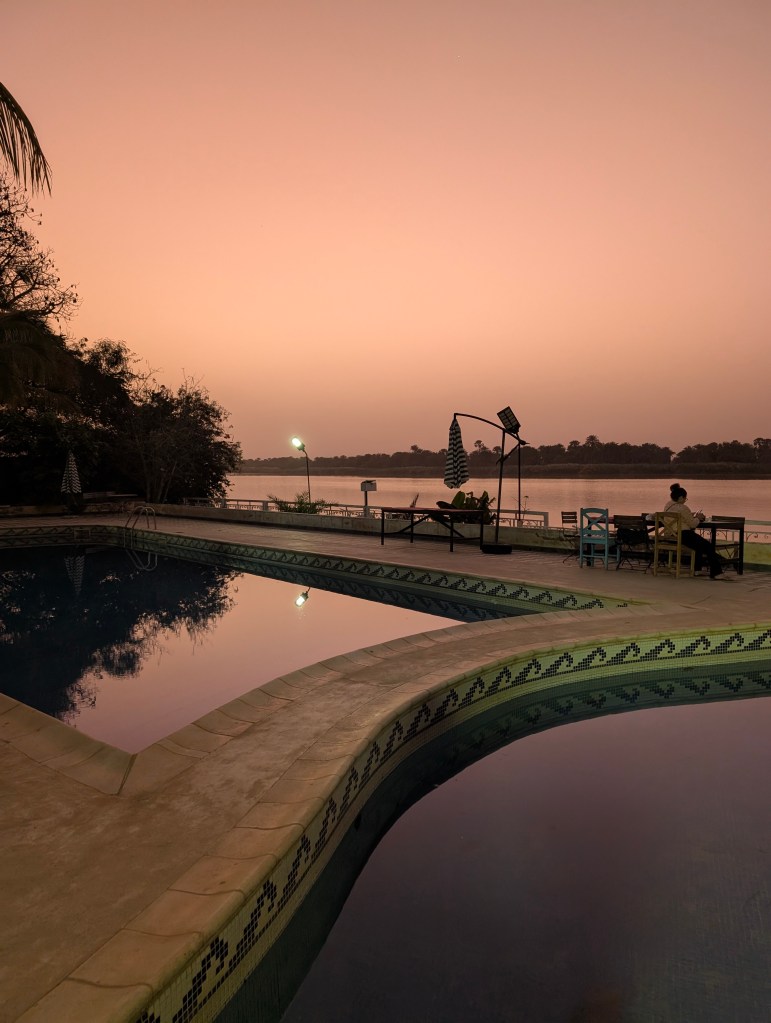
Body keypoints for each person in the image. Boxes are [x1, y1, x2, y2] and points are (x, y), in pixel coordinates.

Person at [661, 483, 723, 578]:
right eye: (685, 498)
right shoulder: (683, 508)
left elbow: (681, 516)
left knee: (698, 546)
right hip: (683, 534)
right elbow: (692, 524)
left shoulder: (667, 505)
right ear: (681, 498)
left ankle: (697, 570)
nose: (685, 500)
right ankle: (716, 572)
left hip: (670, 535)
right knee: (708, 546)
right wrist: (698, 518)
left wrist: (691, 515)